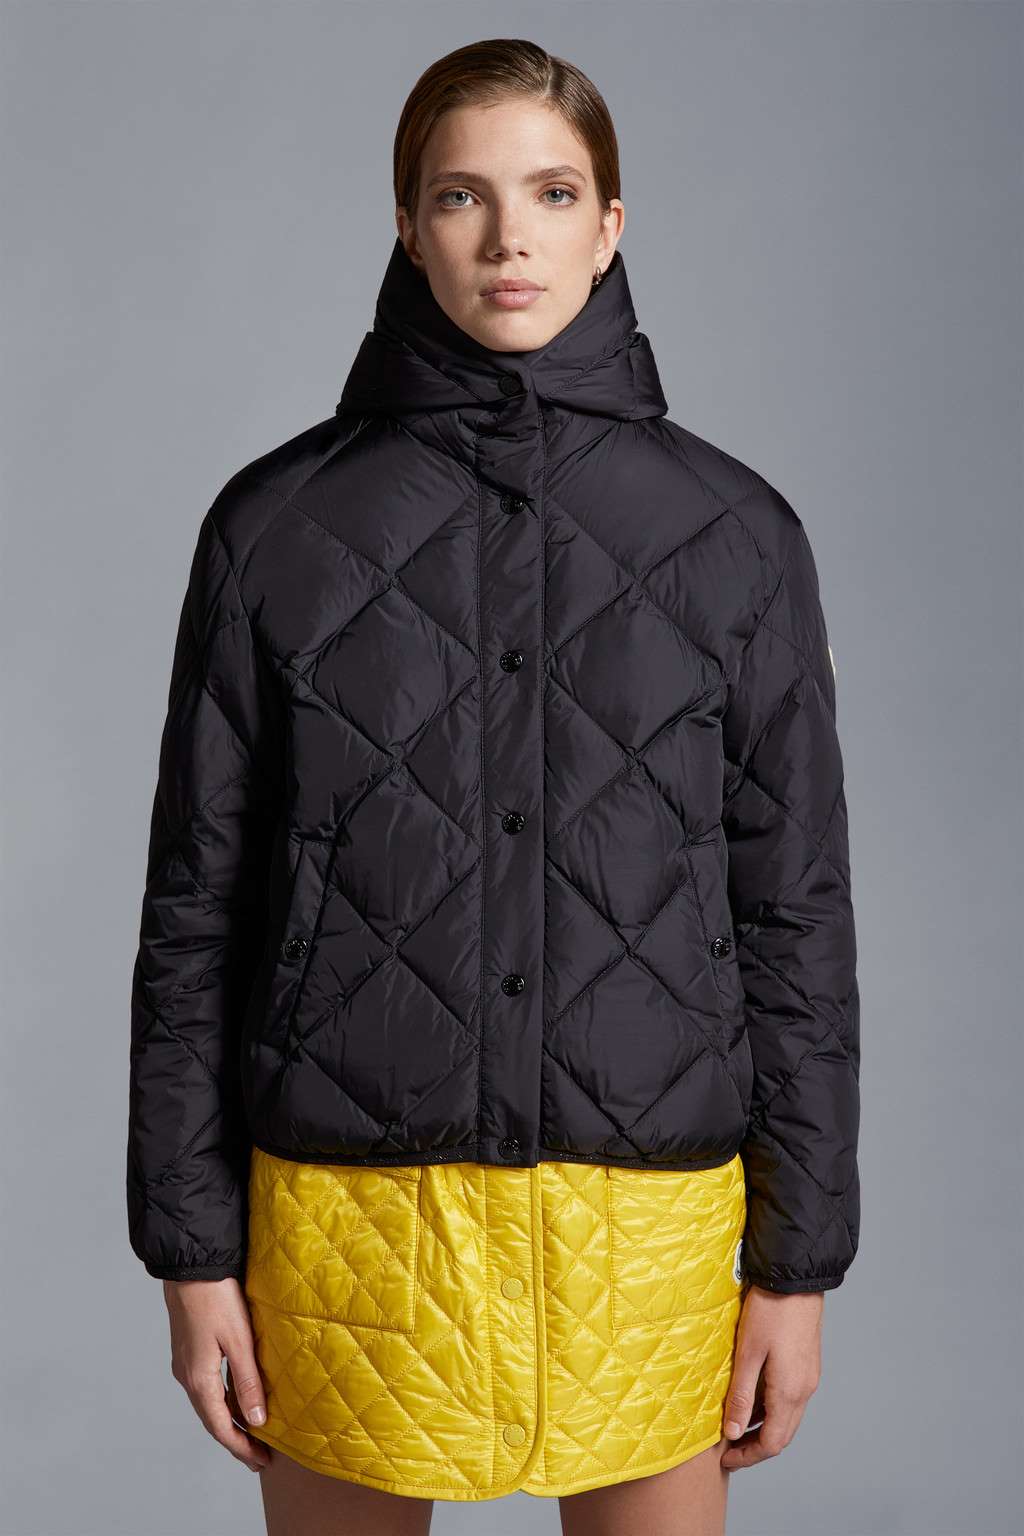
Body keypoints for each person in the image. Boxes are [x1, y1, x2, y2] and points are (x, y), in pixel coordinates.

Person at [126, 37, 860, 1536]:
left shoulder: (738, 536)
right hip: (350, 1227)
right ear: (408, 225)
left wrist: (798, 1269)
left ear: (612, 224)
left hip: (646, 1228)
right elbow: (197, 915)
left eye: (553, 192)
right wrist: (191, 1257)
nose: (509, 236)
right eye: (463, 195)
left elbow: (794, 919)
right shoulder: (275, 528)